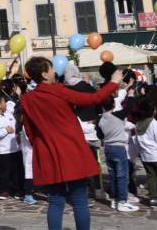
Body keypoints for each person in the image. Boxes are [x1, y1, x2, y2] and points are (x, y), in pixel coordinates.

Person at [20, 57, 121, 230]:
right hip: (71, 150)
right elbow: (94, 98)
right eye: (51, 68)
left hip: (48, 153)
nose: (54, 71)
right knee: (80, 200)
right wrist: (113, 82)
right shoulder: (60, 91)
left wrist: (43, 144)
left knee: (56, 201)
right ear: (44, 74)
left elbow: (30, 132)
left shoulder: (27, 99)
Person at [130, 101, 157, 208]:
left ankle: (153, 198)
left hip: (145, 156)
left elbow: (136, 140)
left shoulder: (138, 125)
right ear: (153, 111)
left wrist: (139, 152)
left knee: (151, 177)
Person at [97, 97, 135, 212]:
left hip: (108, 147)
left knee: (112, 175)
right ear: (113, 105)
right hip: (118, 147)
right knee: (122, 175)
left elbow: (100, 136)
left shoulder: (100, 119)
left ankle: (114, 200)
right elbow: (130, 105)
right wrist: (131, 94)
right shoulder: (118, 115)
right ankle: (123, 201)